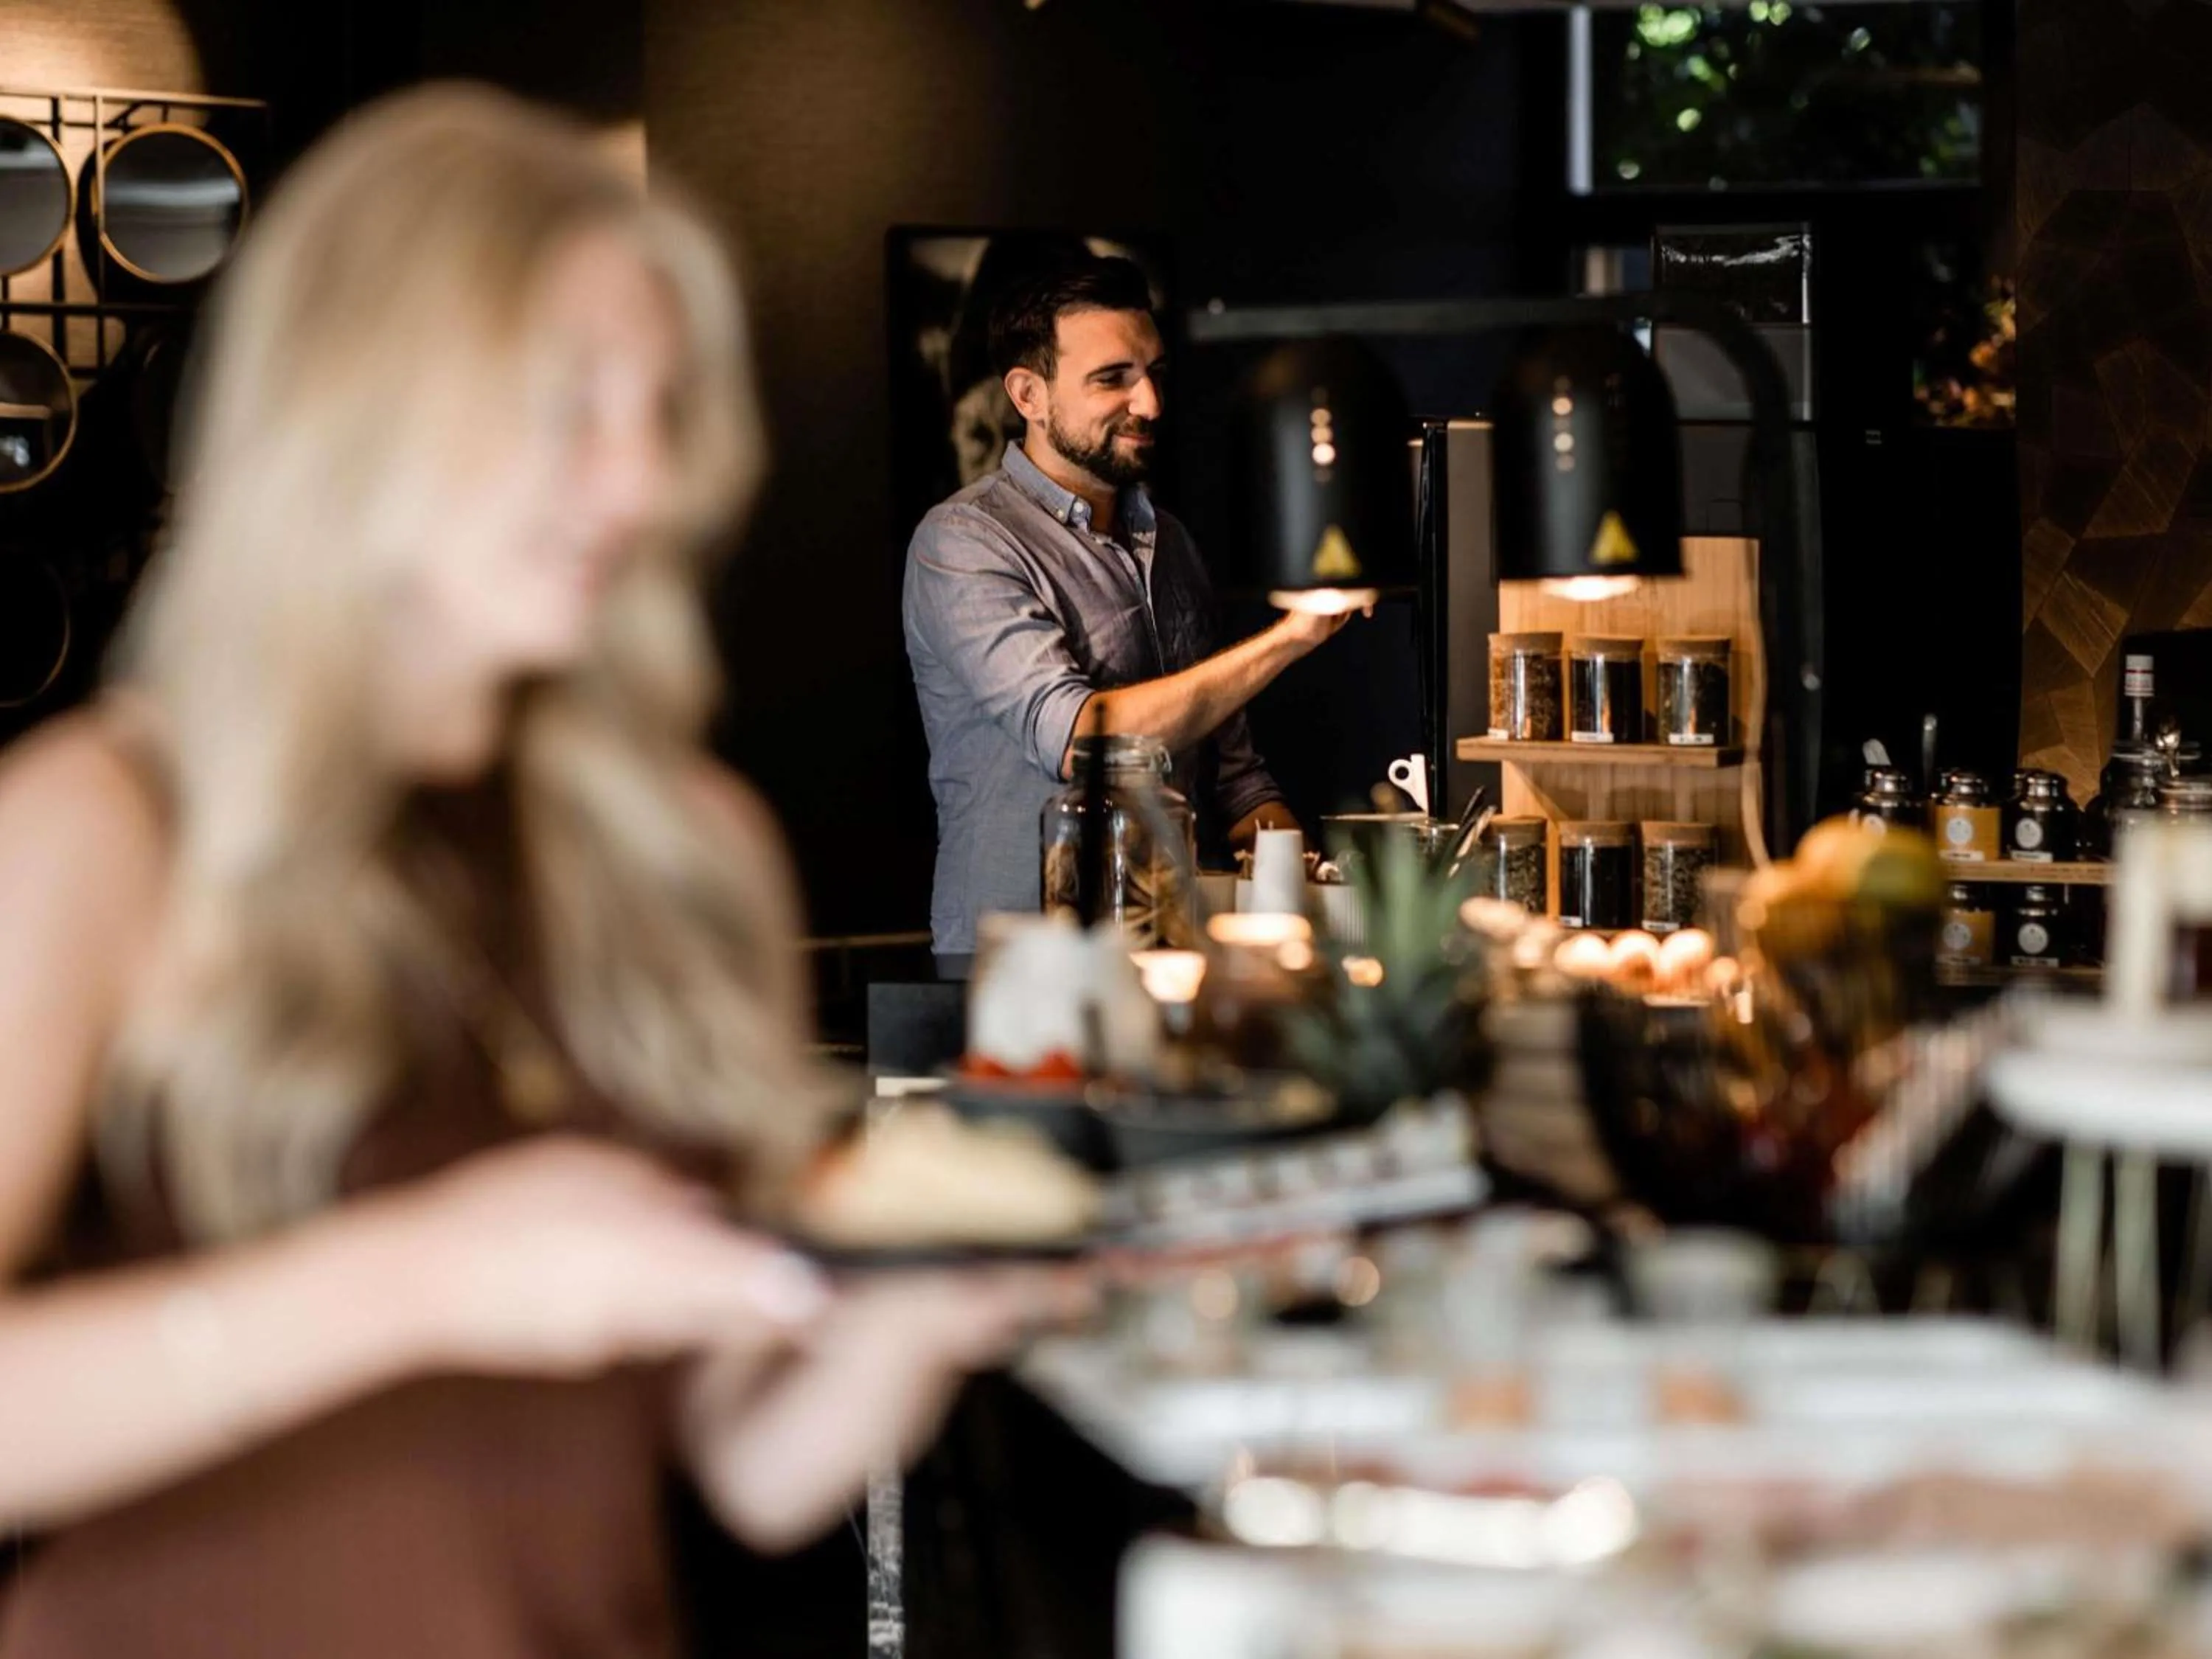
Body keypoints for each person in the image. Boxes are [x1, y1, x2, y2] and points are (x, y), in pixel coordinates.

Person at [0, 86, 1063, 1659]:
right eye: (569, 408)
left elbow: (741, 1461)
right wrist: (420, 1281)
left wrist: (923, 1311)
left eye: (660, 414)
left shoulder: (691, 849)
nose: (637, 485)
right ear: (358, 408)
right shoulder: (106, 824)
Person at [903, 257, 1360, 967]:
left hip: (1165, 949)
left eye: (1153, 373)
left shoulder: (1169, 542)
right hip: (1019, 966)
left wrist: (1324, 895)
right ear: (1028, 395)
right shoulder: (963, 541)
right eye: (1112, 378)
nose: (1149, 403)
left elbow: (1235, 778)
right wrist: (1293, 636)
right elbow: (1081, 742)